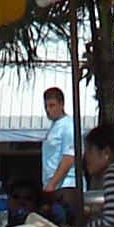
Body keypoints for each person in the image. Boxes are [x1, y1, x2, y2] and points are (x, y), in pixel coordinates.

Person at [38, 85, 78, 215]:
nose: (49, 110)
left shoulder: (69, 125)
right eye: (46, 106)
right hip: (54, 187)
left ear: (62, 104)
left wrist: (52, 184)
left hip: (66, 186)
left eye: (52, 105)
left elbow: (69, 157)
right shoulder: (54, 126)